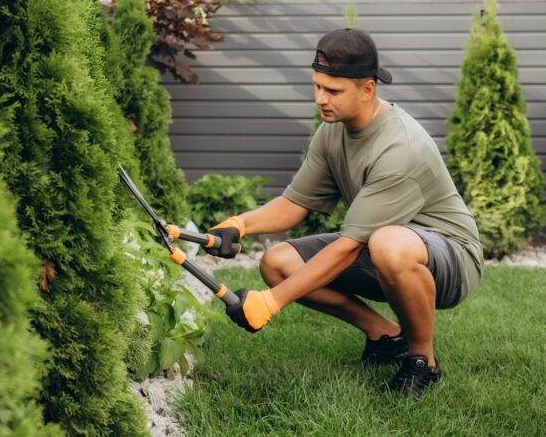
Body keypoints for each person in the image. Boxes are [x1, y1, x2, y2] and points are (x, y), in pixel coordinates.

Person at [204, 27, 484, 399]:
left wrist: (270, 303)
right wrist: (239, 225)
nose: (321, 99)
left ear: (368, 89)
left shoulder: (400, 146)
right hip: (382, 242)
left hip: (451, 257)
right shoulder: (331, 132)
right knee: (277, 262)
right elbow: (294, 204)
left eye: (333, 91)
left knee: (387, 243)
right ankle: (387, 335)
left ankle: (422, 360)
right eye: (318, 86)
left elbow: (351, 247)